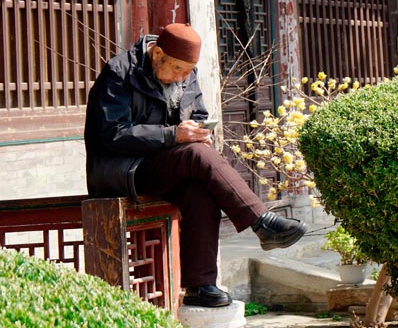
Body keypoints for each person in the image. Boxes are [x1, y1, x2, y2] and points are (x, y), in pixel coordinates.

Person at [84, 22, 307, 308]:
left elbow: (199, 114)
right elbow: (113, 134)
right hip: (125, 170)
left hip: (167, 164)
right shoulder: (119, 72)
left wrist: (200, 132)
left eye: (187, 72)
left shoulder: (186, 74)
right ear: (157, 54)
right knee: (194, 156)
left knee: (199, 190)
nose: (182, 77)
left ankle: (200, 286)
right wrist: (173, 135)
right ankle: (261, 222)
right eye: (177, 70)